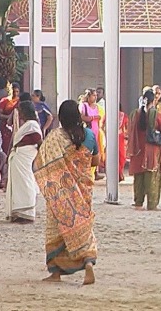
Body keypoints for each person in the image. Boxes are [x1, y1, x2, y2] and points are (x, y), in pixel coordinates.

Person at [34, 100, 99, 285]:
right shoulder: (89, 135)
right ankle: (88, 263)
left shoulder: (54, 137)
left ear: (61, 118)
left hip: (60, 194)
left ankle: (55, 273)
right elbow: (95, 161)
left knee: (56, 231)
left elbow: (42, 162)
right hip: (82, 192)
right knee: (82, 227)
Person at [129, 89, 161, 211]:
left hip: (138, 151)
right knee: (153, 178)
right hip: (152, 152)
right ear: (154, 100)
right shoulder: (156, 115)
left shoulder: (135, 114)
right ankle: (152, 205)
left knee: (138, 178)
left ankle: (138, 203)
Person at [5, 100, 42, 224]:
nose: (19, 114)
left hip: (25, 157)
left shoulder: (32, 125)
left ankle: (27, 212)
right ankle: (19, 212)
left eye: (20, 111)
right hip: (18, 157)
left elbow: (38, 140)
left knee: (26, 182)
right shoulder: (27, 124)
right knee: (18, 184)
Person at [79, 89, 103, 181]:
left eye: (96, 95)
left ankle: (95, 172)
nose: (95, 97)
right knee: (87, 151)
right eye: (93, 95)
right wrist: (93, 117)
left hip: (96, 131)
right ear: (88, 96)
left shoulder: (96, 107)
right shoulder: (84, 106)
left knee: (95, 152)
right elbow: (82, 117)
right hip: (87, 131)